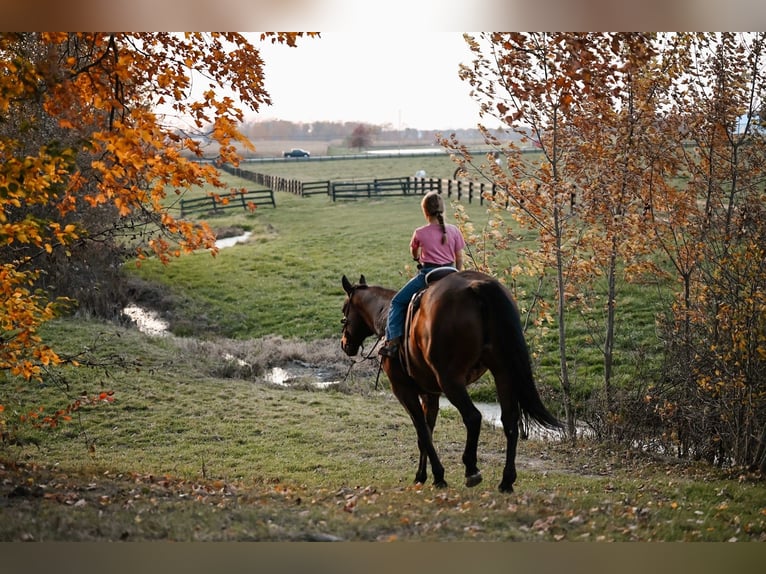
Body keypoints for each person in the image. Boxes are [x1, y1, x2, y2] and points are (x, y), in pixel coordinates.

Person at [379, 191, 466, 357]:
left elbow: (413, 252)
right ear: (442, 209)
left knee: (397, 302)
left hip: (429, 274)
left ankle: (393, 342)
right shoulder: (454, 230)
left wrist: (416, 257)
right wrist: (458, 274)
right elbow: (459, 256)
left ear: (425, 211)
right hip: (451, 273)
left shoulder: (419, 232)